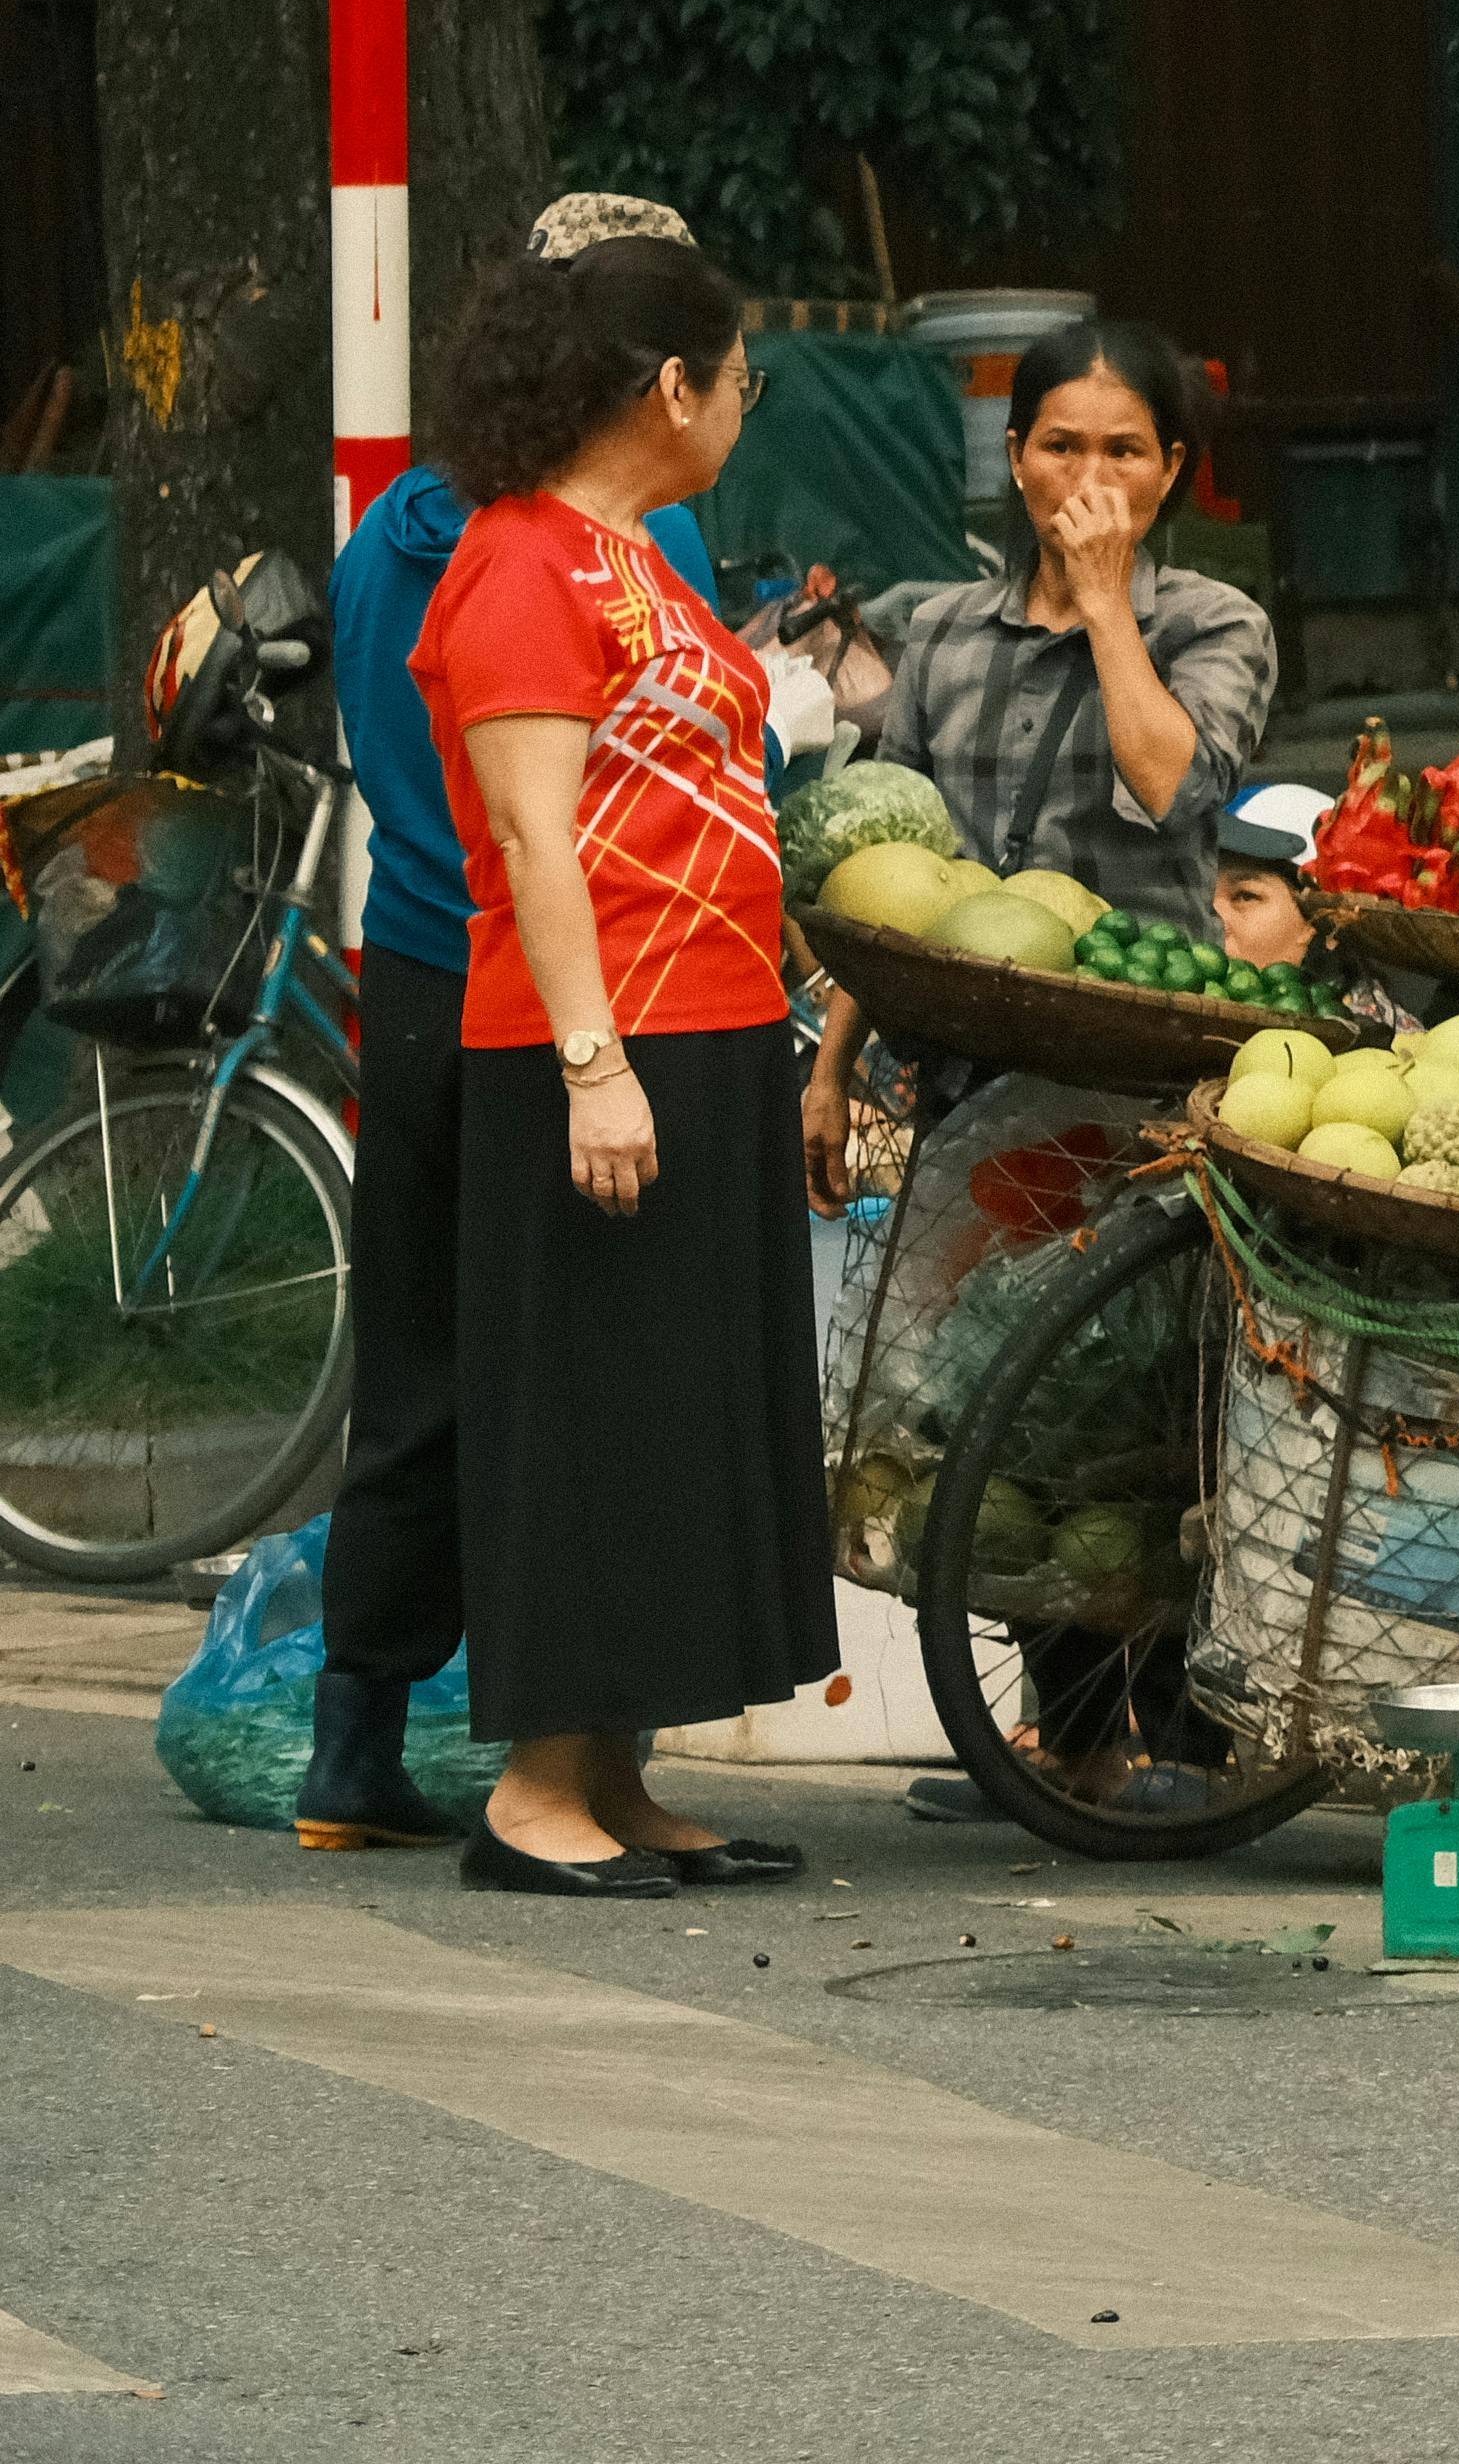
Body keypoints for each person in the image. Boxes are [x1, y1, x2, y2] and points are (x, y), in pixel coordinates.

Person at [293, 190, 747, 1851]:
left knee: (414, 1362)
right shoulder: (612, 544)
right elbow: (581, 806)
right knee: (569, 1363)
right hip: (574, 991)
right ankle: (558, 1749)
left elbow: (384, 750)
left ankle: (353, 1739)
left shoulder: (390, 537)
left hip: (410, 972)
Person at [406, 219, 833, 1895]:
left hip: (713, 1036)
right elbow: (530, 837)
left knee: (678, 1412)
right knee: (589, 1413)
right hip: (601, 1046)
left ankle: (623, 1769)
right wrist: (594, 1062)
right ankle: (533, 1793)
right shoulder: (518, 562)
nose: (745, 405)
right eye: (741, 378)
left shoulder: (646, 555)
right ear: (674, 383)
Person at [829, 316, 1275, 925]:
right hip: (963, 992)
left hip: (1141, 998)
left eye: (1124, 451)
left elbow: (1177, 791)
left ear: (1169, 470)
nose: (1090, 480)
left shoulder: (1215, 624)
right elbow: (893, 857)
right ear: (1017, 457)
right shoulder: (941, 629)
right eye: (1061, 447)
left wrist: (1105, 603)